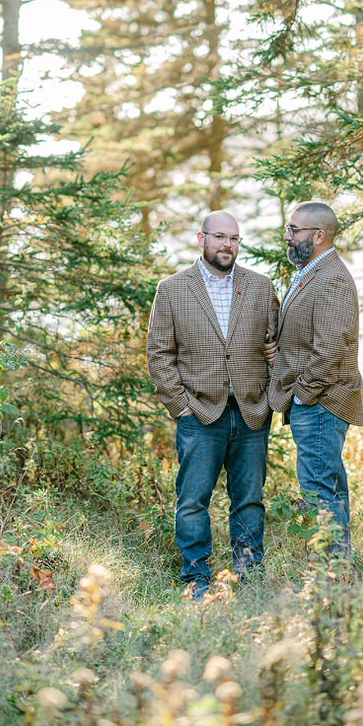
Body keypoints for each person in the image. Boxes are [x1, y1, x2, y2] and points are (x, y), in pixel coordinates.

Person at [147, 210, 278, 598]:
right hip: (200, 414)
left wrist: (271, 386)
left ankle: (249, 578)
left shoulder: (260, 286)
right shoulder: (172, 289)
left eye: (235, 239)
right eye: (220, 237)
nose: (228, 245)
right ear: (201, 238)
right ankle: (197, 579)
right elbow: (158, 354)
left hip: (252, 412)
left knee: (250, 501)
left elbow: (274, 343)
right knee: (192, 501)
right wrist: (180, 404)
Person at [268, 202, 363, 550]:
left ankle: (332, 575)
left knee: (320, 492)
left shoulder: (333, 279)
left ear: (319, 236)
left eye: (294, 230)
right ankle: (337, 576)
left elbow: (332, 349)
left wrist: (302, 395)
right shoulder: (312, 272)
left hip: (321, 403)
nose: (287, 236)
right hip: (314, 402)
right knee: (328, 488)